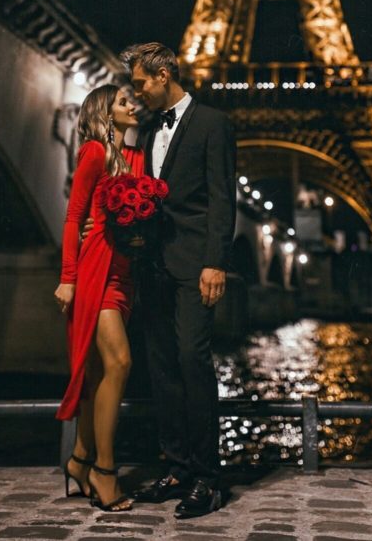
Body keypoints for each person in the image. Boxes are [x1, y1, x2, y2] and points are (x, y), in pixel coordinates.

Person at [120, 42, 236, 519]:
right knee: (162, 366)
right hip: (154, 265)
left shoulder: (213, 123)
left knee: (192, 358)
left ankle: (208, 478)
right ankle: (176, 466)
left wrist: (215, 261)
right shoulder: (146, 129)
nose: (137, 90)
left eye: (142, 81)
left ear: (164, 74)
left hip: (194, 265)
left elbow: (221, 197)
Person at [54, 84, 143, 513]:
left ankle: (79, 461)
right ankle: (106, 472)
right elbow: (74, 216)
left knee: (96, 372)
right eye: (125, 101)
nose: (134, 106)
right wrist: (68, 278)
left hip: (124, 272)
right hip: (98, 269)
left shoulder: (134, 158)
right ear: (105, 112)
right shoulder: (93, 152)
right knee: (120, 362)